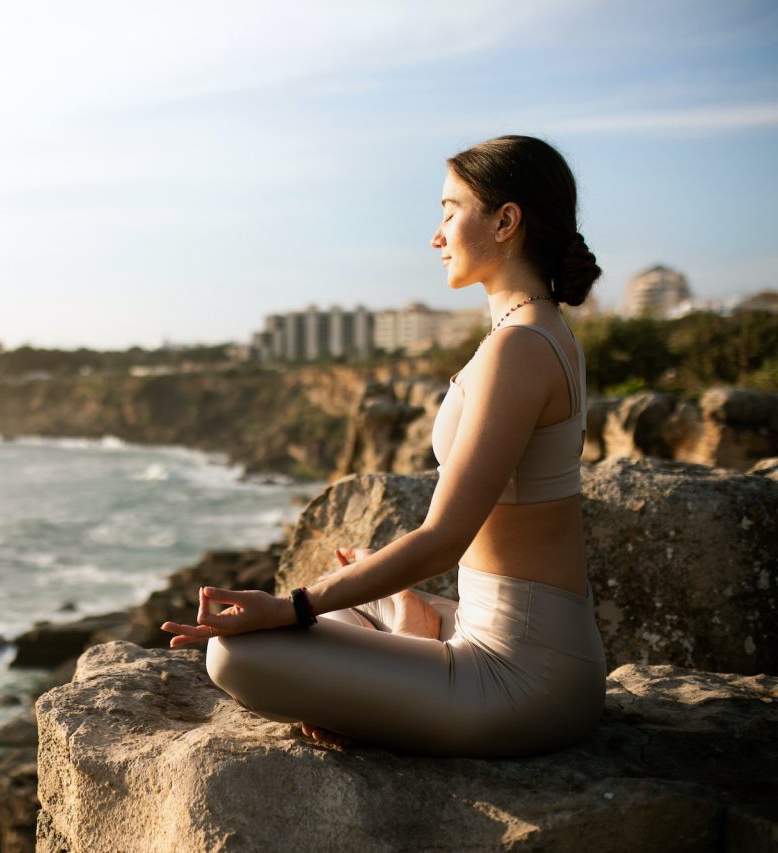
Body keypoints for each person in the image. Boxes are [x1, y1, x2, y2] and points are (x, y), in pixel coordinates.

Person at [161, 135, 607, 758]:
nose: (436, 234)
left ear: (506, 221)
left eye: (450, 211)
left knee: (235, 651)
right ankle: (411, 620)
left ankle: (400, 638)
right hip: (516, 635)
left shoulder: (521, 347)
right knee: (341, 609)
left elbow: (442, 538)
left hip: (524, 681)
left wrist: (290, 605)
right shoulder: (533, 331)